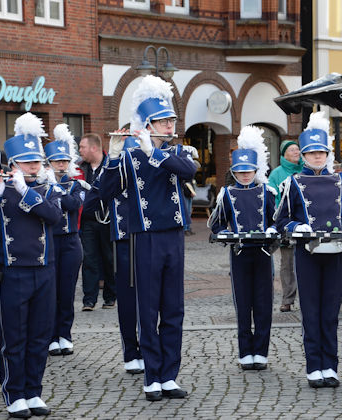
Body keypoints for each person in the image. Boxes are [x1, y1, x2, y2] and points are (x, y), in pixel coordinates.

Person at [100, 75, 197, 401]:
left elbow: (188, 172)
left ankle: (169, 375)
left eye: (171, 121)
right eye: (163, 122)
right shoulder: (130, 157)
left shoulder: (179, 152)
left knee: (174, 310)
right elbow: (106, 192)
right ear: (148, 123)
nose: (169, 127)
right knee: (149, 310)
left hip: (173, 237)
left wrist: (154, 152)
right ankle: (152, 376)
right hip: (144, 238)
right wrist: (113, 158)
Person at [0, 112, 63, 418]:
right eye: (27, 163)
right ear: (13, 165)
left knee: (40, 334)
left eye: (36, 162)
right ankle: (14, 393)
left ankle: (33, 391)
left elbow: (55, 217)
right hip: (12, 272)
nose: (33, 168)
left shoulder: (46, 188)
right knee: (14, 336)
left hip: (44, 269)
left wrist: (27, 192)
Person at [274, 111, 342, 388]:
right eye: (312, 153)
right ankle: (313, 366)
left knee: (330, 310)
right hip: (307, 253)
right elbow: (281, 219)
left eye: (321, 152)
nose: (317, 157)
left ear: (328, 153)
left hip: (336, 252)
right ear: (304, 157)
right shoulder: (293, 183)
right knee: (311, 309)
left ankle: (330, 365)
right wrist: (296, 226)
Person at [209, 125, 276, 371]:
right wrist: (223, 232)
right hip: (239, 254)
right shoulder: (226, 193)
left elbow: (276, 221)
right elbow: (215, 224)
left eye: (248, 170)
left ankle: (261, 352)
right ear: (234, 172)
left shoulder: (267, 192)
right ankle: (245, 351)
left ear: (256, 170)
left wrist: (272, 231)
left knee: (263, 304)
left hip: (262, 253)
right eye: (240, 171)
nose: (245, 175)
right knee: (243, 303)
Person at [97, 135, 145, 375]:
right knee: (127, 300)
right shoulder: (114, 172)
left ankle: (147, 349)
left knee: (149, 299)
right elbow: (103, 191)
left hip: (148, 239)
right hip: (125, 238)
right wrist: (113, 159)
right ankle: (130, 351)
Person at [45, 124, 86, 357]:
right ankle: (51, 336)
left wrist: (57, 193)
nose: (61, 165)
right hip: (50, 241)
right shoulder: (43, 186)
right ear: (48, 162)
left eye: (64, 161)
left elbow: (73, 204)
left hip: (71, 241)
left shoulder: (77, 184)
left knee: (67, 291)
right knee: (51, 291)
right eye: (56, 161)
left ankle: (65, 335)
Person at [78, 132, 116, 311]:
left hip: (108, 220)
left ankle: (110, 296)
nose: (80, 151)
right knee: (89, 260)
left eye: (82, 147)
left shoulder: (111, 166)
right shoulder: (79, 168)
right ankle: (89, 300)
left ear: (94, 148)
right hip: (87, 221)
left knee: (110, 258)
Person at [268, 140, 303, 312]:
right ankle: (288, 299)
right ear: (284, 154)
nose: (296, 151)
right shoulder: (277, 174)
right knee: (287, 263)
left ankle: (306, 297)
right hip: (286, 223)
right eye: (292, 149)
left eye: (297, 149)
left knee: (306, 262)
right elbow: (272, 199)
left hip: (306, 225)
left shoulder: (306, 171)